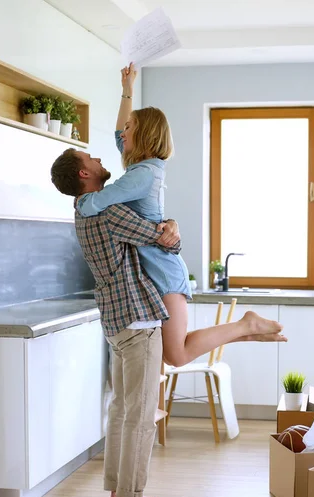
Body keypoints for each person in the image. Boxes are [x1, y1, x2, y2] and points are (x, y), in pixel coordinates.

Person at [74, 63, 287, 368]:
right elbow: (119, 134)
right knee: (173, 354)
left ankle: (246, 326)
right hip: (155, 269)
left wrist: (80, 203)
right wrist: (127, 91)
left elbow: (99, 202)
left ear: (144, 134)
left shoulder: (141, 176)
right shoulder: (142, 168)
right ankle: (248, 330)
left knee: (177, 355)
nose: (124, 132)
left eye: (131, 127)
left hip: (163, 271)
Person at [51, 157, 182, 497]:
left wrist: (166, 227)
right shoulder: (109, 213)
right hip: (138, 318)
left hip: (115, 322)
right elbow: (164, 241)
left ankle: (117, 493)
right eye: (90, 160)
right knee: (140, 415)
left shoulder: (82, 210)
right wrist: (172, 226)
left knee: (122, 409)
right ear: (84, 173)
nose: (98, 160)